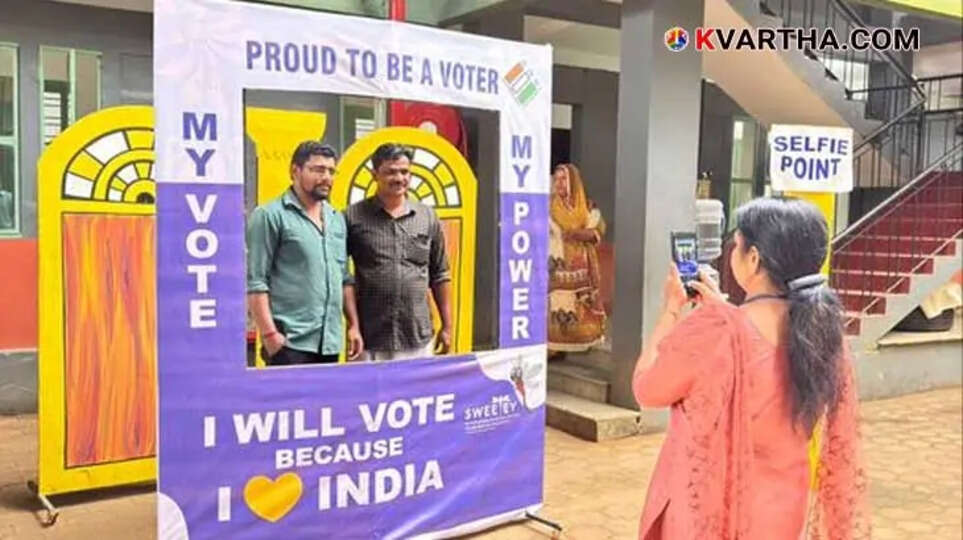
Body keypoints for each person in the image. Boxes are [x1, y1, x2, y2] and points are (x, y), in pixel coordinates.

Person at [633, 198, 870, 540]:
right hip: (783, 510)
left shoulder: (717, 330)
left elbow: (646, 387)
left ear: (754, 258)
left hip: (712, 513)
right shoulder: (824, 333)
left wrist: (671, 310)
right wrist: (723, 311)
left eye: (737, 245)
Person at [246, 141, 363, 366]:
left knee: (326, 402)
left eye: (331, 171)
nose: (326, 178)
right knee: (288, 403)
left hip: (329, 342)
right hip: (290, 344)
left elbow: (344, 278)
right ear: (295, 171)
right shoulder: (270, 216)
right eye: (318, 170)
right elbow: (257, 282)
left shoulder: (336, 219)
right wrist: (270, 336)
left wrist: (353, 326)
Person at [345, 143, 452, 361]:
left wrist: (447, 326)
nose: (399, 178)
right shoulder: (352, 217)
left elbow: (440, 274)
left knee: (416, 394)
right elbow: (342, 278)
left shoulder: (427, 217)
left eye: (404, 172)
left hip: (417, 335)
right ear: (374, 174)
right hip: (370, 337)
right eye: (391, 172)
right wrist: (353, 326)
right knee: (369, 395)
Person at [548, 163, 607, 355]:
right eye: (556, 179)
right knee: (556, 306)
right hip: (557, 270)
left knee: (582, 309)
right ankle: (554, 348)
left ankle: (581, 342)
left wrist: (579, 234)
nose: (559, 183)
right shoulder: (548, 207)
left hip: (582, 267)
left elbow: (599, 230)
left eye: (564, 179)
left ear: (573, 182)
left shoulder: (587, 207)